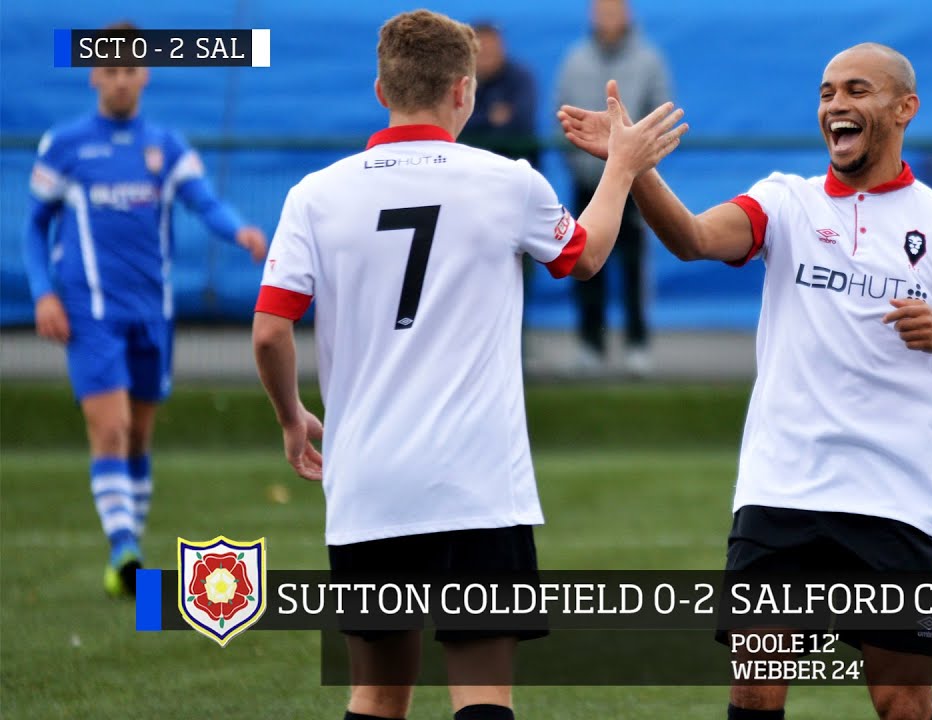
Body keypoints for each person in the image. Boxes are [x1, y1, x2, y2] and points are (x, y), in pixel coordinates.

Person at [560, 43, 932, 720]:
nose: (836, 105)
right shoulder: (785, 203)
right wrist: (633, 170)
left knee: (900, 702)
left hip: (893, 498)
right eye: (826, 92)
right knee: (755, 689)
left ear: (904, 109)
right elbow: (691, 238)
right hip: (781, 490)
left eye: (856, 90)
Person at [251, 10, 685, 720]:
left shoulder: (315, 195)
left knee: (376, 694)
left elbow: (271, 332)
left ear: (379, 88)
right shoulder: (505, 180)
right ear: (465, 91)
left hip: (368, 484)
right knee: (483, 696)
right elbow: (587, 256)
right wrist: (623, 165)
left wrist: (291, 418)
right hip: (477, 484)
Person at [24, 21, 267, 599]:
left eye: (129, 69)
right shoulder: (64, 146)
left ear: (145, 74)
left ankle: (130, 541)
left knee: (138, 438)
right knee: (111, 430)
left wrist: (241, 233)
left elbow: (204, 203)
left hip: (151, 312)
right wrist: (43, 292)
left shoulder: (167, 146)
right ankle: (124, 552)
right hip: (89, 312)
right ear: (94, 76)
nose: (120, 80)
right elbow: (34, 228)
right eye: (109, 70)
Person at [556, 0, 672, 375]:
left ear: (627, 15)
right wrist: (583, 164)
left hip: (634, 186)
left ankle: (637, 345)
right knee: (584, 262)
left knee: (634, 265)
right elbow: (562, 112)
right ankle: (591, 345)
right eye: (601, 11)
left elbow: (661, 112)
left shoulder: (648, 59)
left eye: (613, 10)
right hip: (587, 182)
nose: (607, 18)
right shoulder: (575, 59)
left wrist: (635, 163)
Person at [457, 21, 539, 168]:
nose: (488, 53)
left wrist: (476, 121)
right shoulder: (459, 80)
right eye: (483, 49)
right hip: (469, 167)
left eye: (492, 47)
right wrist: (488, 118)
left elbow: (522, 122)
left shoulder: (520, 77)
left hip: (514, 165)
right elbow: (455, 122)